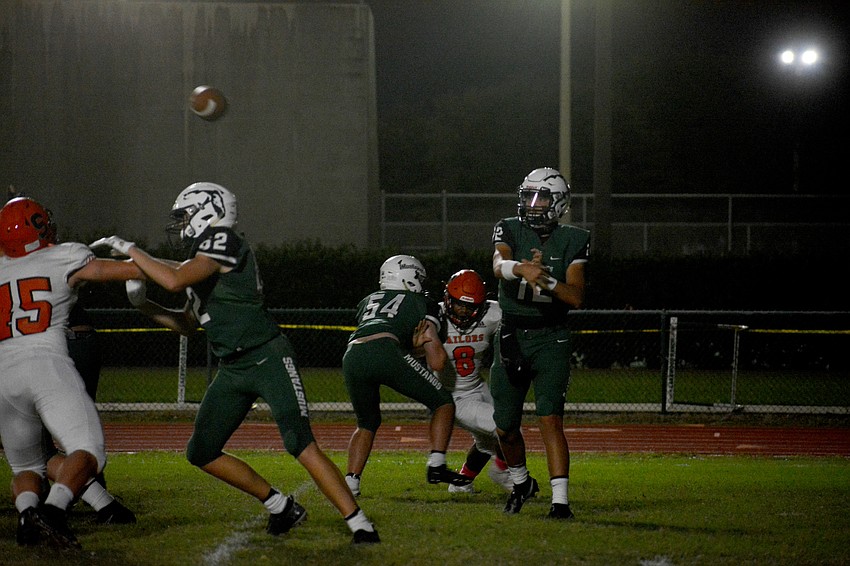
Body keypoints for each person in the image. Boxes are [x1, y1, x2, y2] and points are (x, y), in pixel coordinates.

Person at [90, 182, 379, 545]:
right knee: (201, 451)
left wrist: (131, 249)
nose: (180, 227)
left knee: (300, 443)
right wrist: (144, 306)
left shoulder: (223, 241)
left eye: (184, 217)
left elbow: (175, 278)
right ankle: (280, 506)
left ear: (208, 210)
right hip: (233, 368)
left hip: (268, 356)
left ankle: (359, 524)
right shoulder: (203, 264)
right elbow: (184, 324)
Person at [0, 196, 145, 549]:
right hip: (46, 363)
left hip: (4, 374)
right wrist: (184, 266)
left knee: (26, 466)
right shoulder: (63, 255)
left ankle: (27, 517)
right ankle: (54, 513)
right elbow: (128, 270)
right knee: (89, 450)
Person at [490, 167, 589, 519]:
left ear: (558, 203)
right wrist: (521, 269)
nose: (532, 205)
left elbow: (575, 297)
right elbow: (498, 263)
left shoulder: (574, 239)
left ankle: (560, 502)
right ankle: (521, 483)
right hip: (512, 335)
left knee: (550, 419)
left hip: (552, 337)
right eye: (528, 196)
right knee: (504, 424)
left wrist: (544, 280)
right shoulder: (508, 227)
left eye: (541, 198)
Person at [342, 255, 472, 497]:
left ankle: (351, 482)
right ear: (409, 277)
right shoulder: (420, 302)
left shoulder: (368, 300)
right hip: (385, 351)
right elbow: (438, 360)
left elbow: (380, 330)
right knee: (443, 403)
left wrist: (408, 348)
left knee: (366, 423)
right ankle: (437, 465)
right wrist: (420, 346)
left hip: (352, 355)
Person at [438, 269, 512, 494]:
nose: (463, 310)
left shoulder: (492, 314)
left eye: (470, 306)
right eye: (459, 303)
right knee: (504, 427)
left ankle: (461, 483)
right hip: (452, 396)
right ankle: (506, 473)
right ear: (448, 298)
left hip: (478, 386)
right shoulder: (433, 318)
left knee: (486, 443)